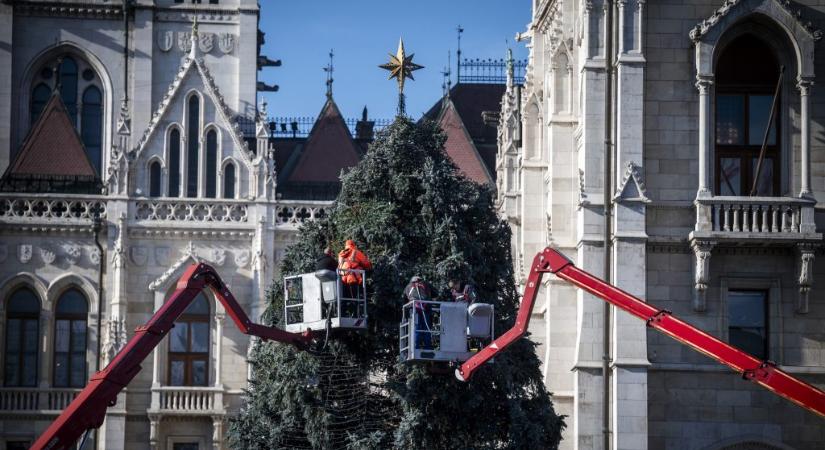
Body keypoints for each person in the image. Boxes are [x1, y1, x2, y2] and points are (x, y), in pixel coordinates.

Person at [337, 240, 371, 315]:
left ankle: (342, 314)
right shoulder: (356, 252)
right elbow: (367, 264)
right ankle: (355, 314)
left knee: (344, 298)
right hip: (353, 278)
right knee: (355, 298)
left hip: (342, 279)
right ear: (353, 245)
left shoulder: (341, 253)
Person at [405, 276, 433, 349]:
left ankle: (422, 347)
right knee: (420, 329)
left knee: (421, 328)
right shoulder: (411, 287)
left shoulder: (423, 286)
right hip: (419, 310)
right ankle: (420, 347)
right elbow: (409, 296)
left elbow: (406, 296)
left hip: (420, 310)